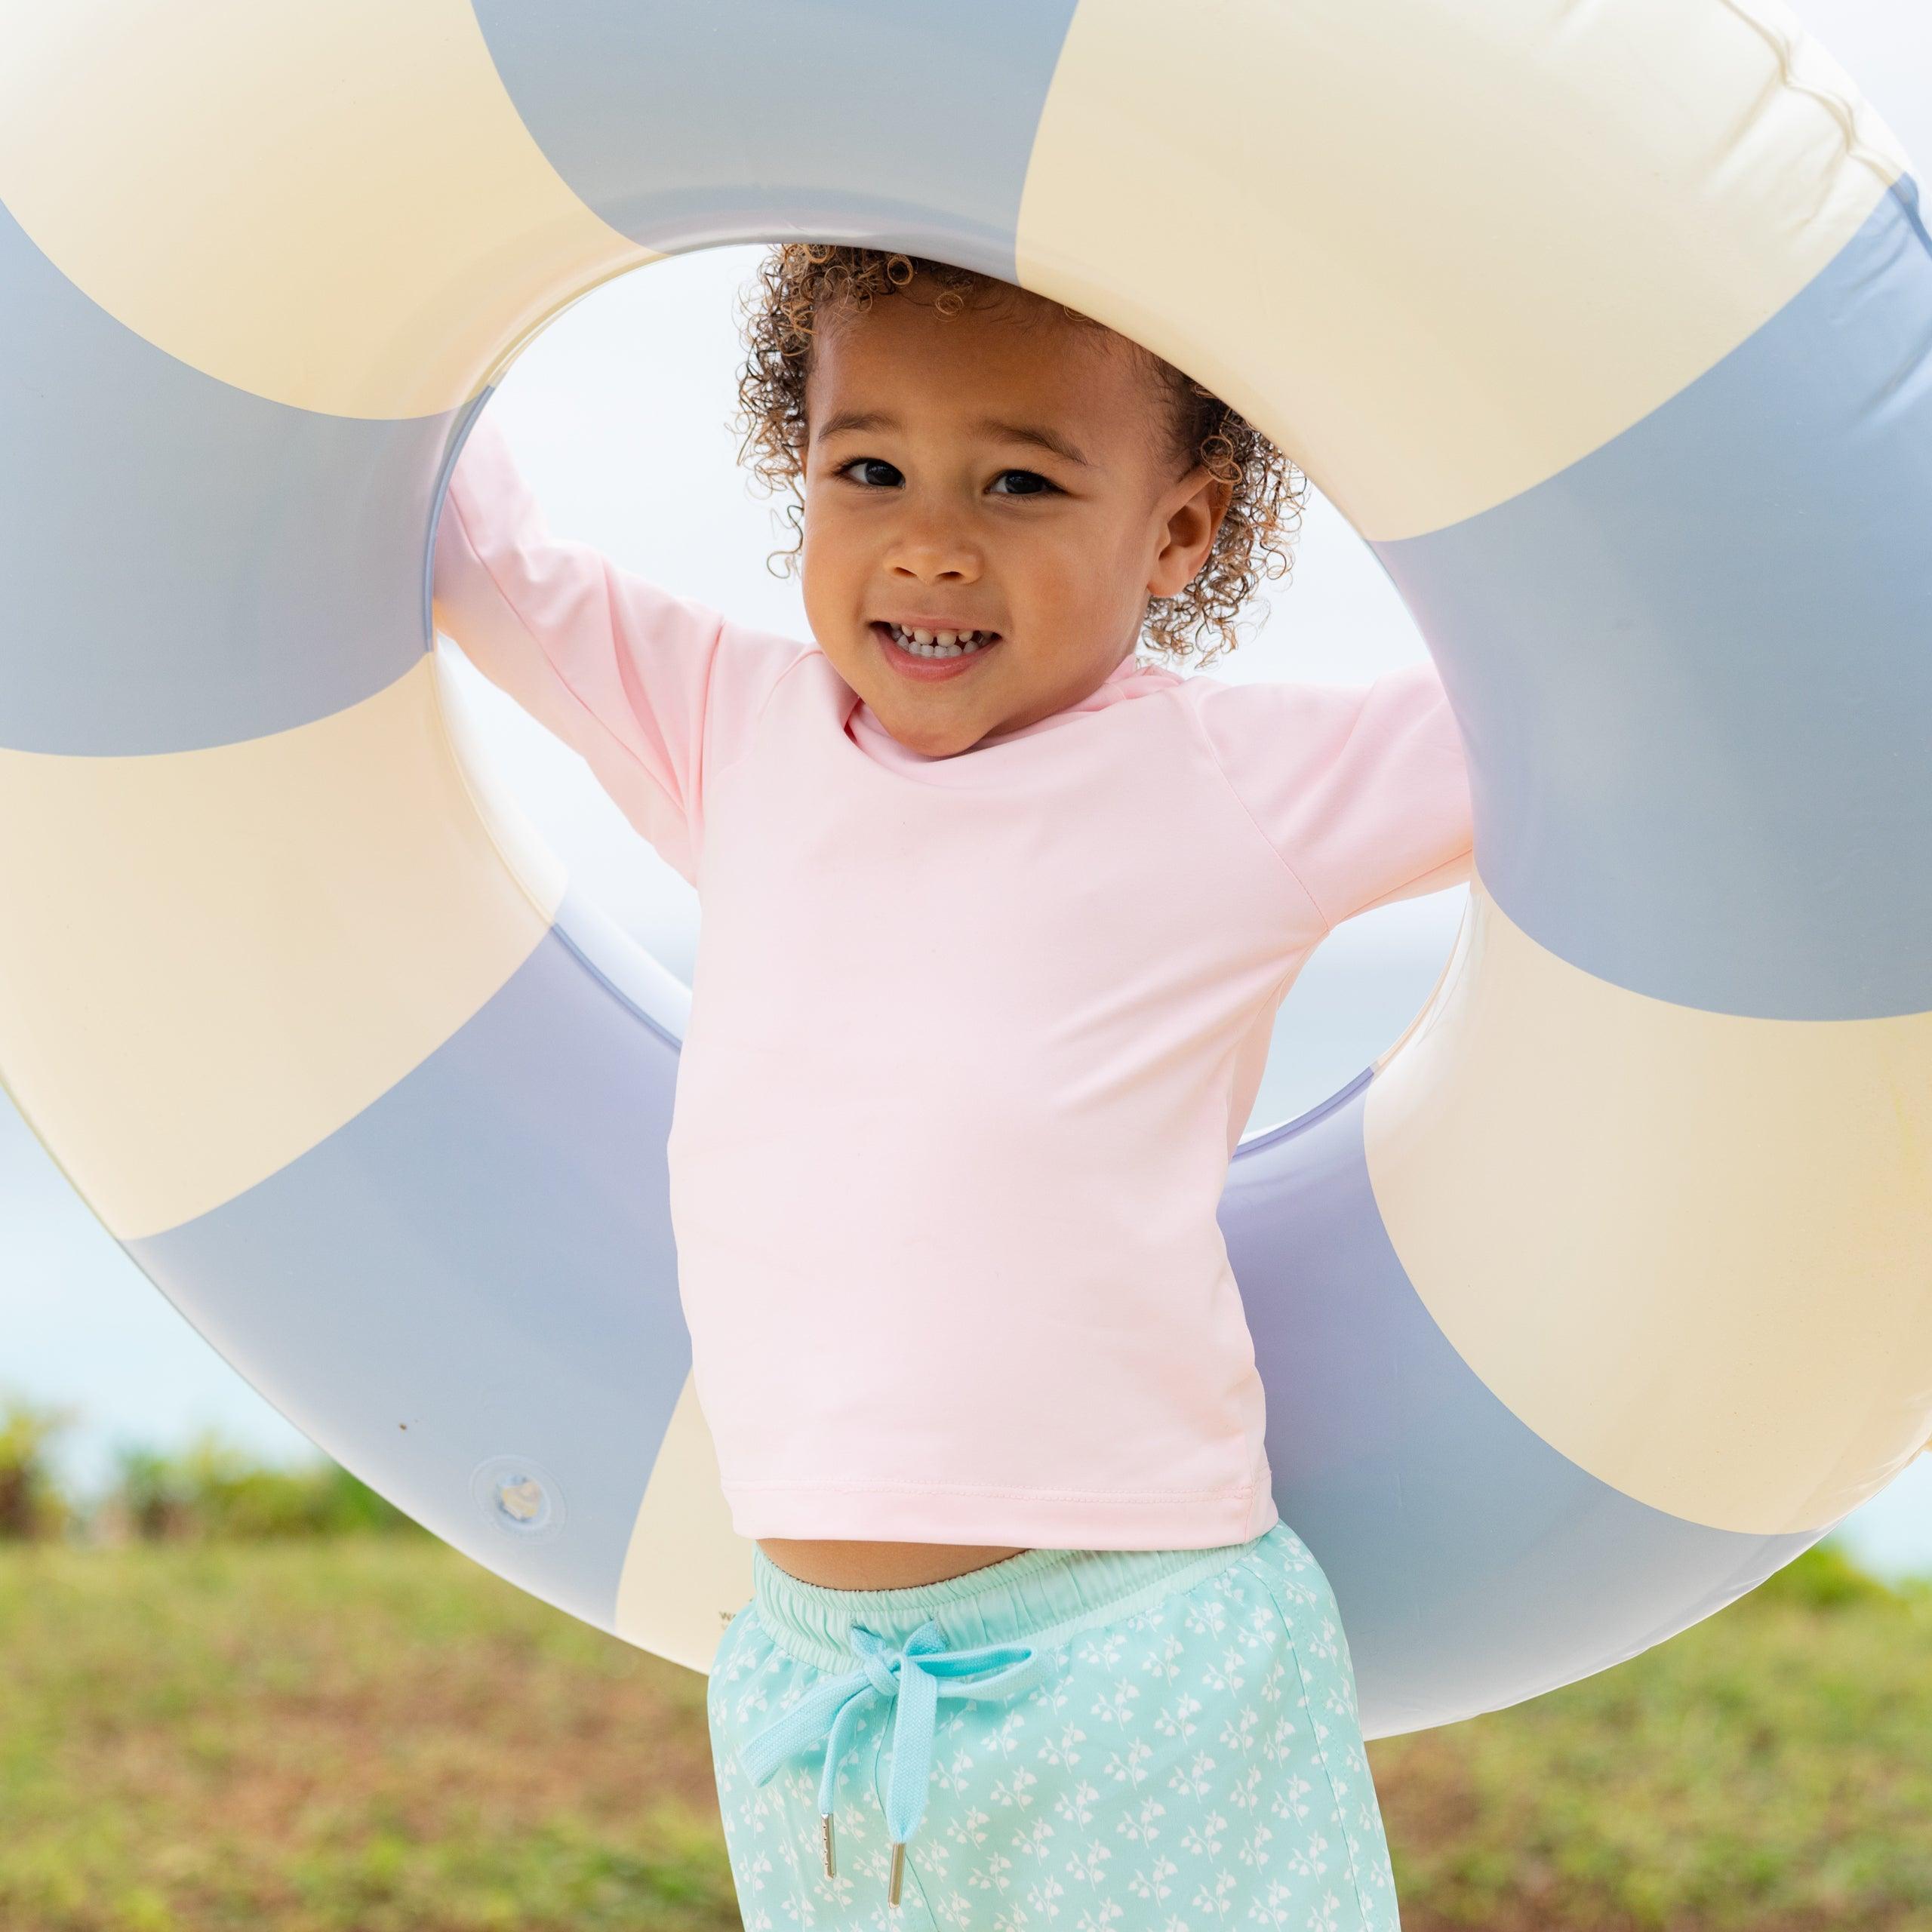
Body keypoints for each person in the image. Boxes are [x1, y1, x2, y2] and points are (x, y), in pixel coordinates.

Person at [432, 244, 1473, 1930]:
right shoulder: (731, 725)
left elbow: (1576, 722)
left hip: (1134, 1648)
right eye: (868, 469)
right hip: (814, 1682)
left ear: (1178, 531)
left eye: (1017, 479)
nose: (929, 540)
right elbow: (490, 555)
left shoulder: (1235, 781)